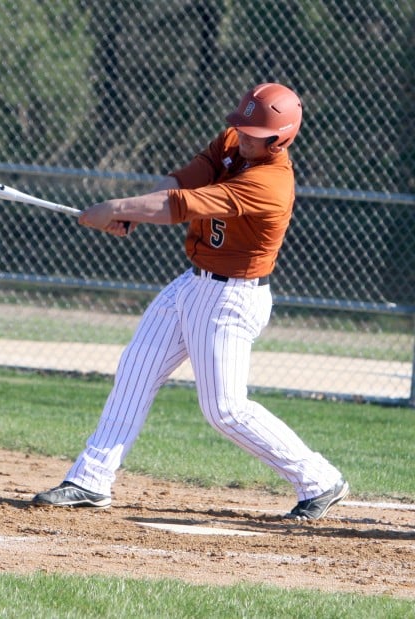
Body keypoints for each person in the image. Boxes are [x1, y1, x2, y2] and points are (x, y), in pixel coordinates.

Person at [32, 83, 349, 520]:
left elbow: (183, 205)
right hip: (193, 283)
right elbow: (182, 180)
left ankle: (320, 480)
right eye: (242, 125)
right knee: (137, 369)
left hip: (232, 297)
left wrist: (117, 206)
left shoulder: (269, 184)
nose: (243, 135)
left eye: (255, 132)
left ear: (281, 138)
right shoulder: (234, 142)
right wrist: (129, 211)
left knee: (225, 410)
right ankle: (91, 479)